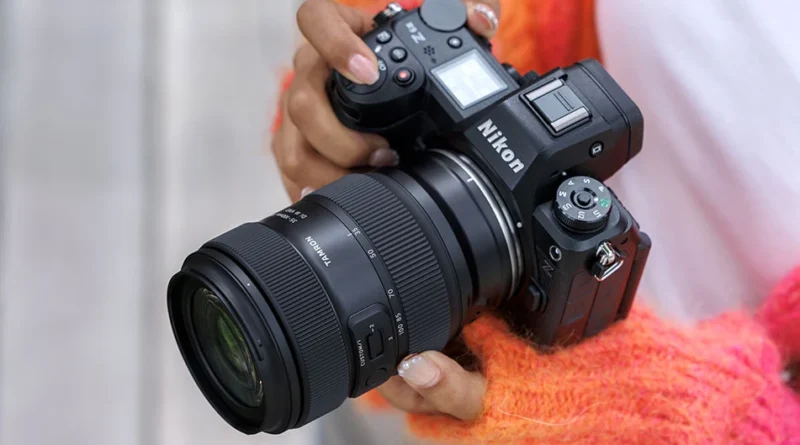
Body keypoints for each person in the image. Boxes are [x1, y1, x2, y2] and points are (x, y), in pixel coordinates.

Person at [269, 0, 800, 443]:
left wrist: (699, 419)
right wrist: (351, 98)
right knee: (272, 348)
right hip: (374, 361)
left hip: (509, 399)